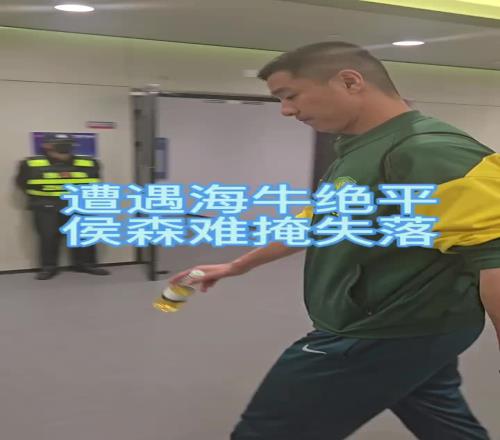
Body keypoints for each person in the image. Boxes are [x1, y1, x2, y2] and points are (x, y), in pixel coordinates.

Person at [169, 42, 500, 439]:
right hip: (416, 326)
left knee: (269, 431)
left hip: (379, 331)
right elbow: (318, 220)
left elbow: (494, 258)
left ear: (350, 82)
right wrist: (236, 266)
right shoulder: (360, 148)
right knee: (440, 420)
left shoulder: (429, 151)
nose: (286, 110)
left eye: (290, 95)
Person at [16, 133, 110, 280]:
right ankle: (48, 268)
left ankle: (87, 264)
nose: (64, 145)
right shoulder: (30, 164)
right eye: (58, 142)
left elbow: (96, 181)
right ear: (46, 145)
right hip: (46, 206)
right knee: (48, 238)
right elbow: (22, 184)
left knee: (84, 236)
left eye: (67, 142)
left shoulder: (89, 163)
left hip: (79, 205)